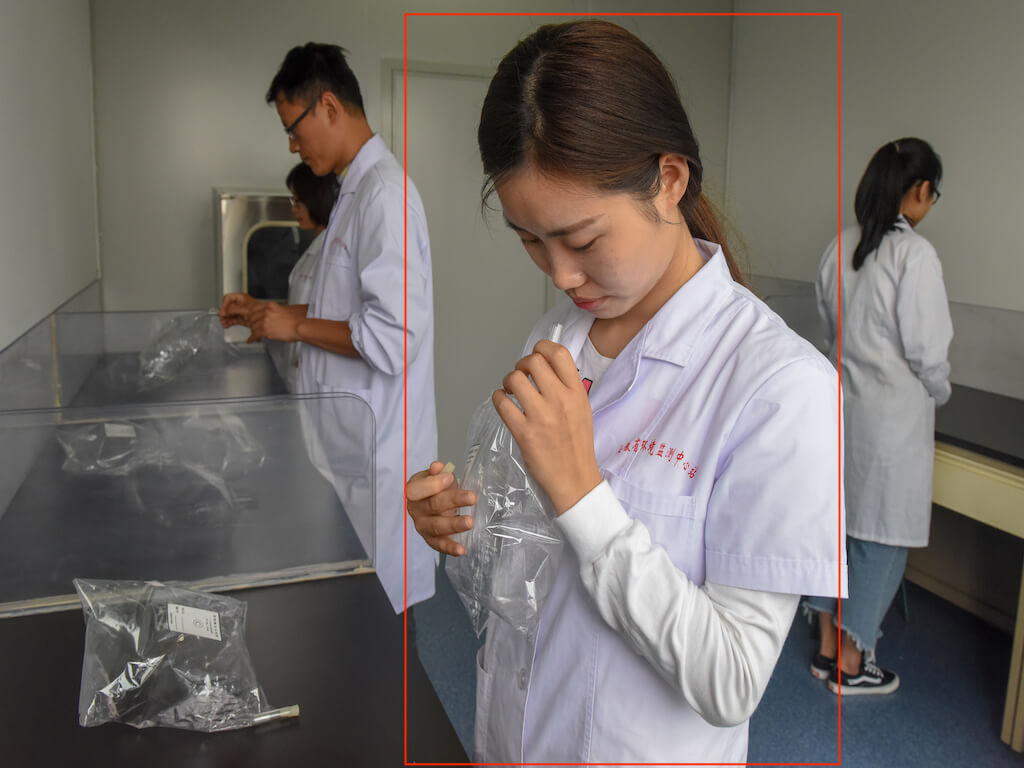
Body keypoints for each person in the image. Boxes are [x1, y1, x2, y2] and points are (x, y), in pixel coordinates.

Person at [405, 20, 844, 764]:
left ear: (668, 180)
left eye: (582, 240)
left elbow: (732, 681)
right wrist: (460, 523)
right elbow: (527, 555)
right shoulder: (556, 336)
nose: (561, 274)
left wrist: (584, 494)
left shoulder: (781, 388)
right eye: (530, 239)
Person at [220, 43, 438, 613]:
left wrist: (294, 326)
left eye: (293, 128)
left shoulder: (386, 196)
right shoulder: (351, 195)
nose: (292, 145)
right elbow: (335, 309)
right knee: (350, 610)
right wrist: (273, 315)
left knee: (380, 621)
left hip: (375, 456)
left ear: (329, 107)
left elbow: (393, 338)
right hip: (345, 451)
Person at [807, 138, 952, 695]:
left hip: (843, 412)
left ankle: (826, 650)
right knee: (880, 541)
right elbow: (927, 352)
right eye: (933, 193)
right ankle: (852, 664)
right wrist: (939, 391)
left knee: (839, 532)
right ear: (920, 190)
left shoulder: (839, 246)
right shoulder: (915, 255)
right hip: (893, 422)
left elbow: (829, 332)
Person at [256, 163, 339, 391]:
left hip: (315, 375)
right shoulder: (314, 249)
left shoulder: (333, 254)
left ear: (318, 199)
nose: (294, 209)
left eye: (298, 201)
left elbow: (332, 317)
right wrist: (258, 313)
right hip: (298, 371)